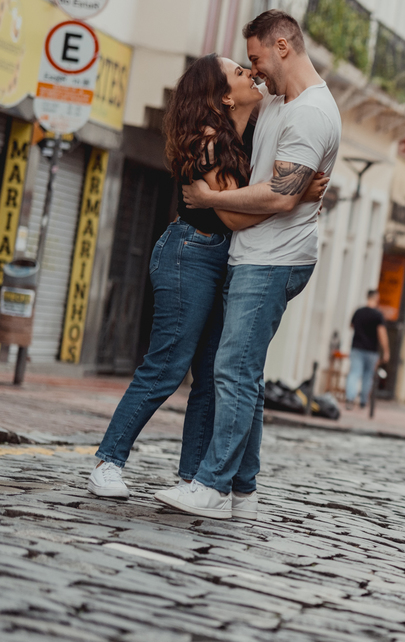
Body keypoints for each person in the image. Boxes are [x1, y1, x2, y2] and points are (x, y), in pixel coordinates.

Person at [86, 54, 325, 500]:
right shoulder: (209, 142)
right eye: (239, 72)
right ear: (222, 95)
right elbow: (234, 220)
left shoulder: (249, 136)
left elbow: (250, 201)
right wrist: (288, 198)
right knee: (166, 367)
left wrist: (280, 193)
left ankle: (193, 479)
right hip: (191, 253)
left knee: (212, 376)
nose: (251, 73)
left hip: (227, 260)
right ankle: (107, 461)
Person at [157, 9, 341, 519]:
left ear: (283, 46)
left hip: (272, 260)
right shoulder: (283, 102)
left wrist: (207, 197)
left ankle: (211, 488)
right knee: (247, 375)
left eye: (256, 58)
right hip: (258, 256)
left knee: (233, 372)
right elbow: (273, 173)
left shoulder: (309, 113)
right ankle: (243, 488)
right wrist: (300, 187)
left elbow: (279, 198)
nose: (254, 70)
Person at [345, 290, 390, 409]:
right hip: (371, 350)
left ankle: (350, 398)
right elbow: (382, 334)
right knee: (368, 376)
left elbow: (351, 326)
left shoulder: (358, 312)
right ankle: (363, 401)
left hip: (357, 348)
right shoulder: (378, 315)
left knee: (354, 374)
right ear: (377, 298)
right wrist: (386, 351)